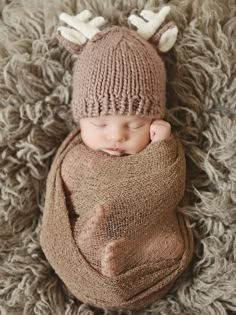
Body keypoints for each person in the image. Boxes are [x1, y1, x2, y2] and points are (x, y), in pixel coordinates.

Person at [40, 9, 193, 310]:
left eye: (134, 124)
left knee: (171, 244)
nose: (116, 136)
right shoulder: (76, 156)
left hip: (147, 235)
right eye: (99, 125)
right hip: (84, 240)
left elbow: (169, 186)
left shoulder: (157, 146)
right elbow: (71, 188)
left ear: (154, 119)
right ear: (80, 120)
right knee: (87, 200)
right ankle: (98, 246)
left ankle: (135, 256)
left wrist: (162, 147)